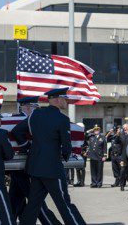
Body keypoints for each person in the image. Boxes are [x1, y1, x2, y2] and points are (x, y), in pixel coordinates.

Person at [20, 88, 86, 225]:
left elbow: (17, 131)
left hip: (35, 167)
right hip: (52, 169)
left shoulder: (35, 114)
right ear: (58, 99)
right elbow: (67, 146)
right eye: (65, 98)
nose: (66, 101)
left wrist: (28, 147)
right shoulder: (62, 119)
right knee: (64, 204)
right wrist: (65, 156)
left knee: (33, 205)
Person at [10, 96, 61, 225]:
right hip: (24, 165)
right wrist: (28, 146)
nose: (37, 110)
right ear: (27, 107)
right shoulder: (22, 119)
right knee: (35, 201)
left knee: (16, 200)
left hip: (21, 166)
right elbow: (16, 132)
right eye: (35, 107)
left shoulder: (24, 118)